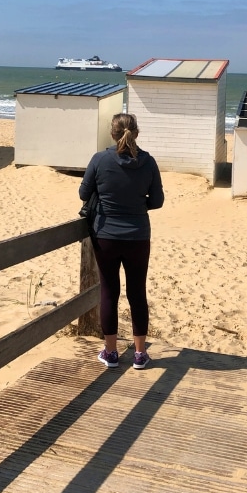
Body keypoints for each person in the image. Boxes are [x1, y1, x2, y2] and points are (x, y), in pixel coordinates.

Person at [79, 113, 164, 369]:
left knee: (109, 291)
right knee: (137, 292)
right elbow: (157, 201)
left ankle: (111, 352)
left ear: (112, 133)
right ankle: (140, 354)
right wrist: (138, 206)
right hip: (138, 235)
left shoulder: (100, 159)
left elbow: (84, 193)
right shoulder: (148, 162)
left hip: (106, 235)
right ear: (136, 133)